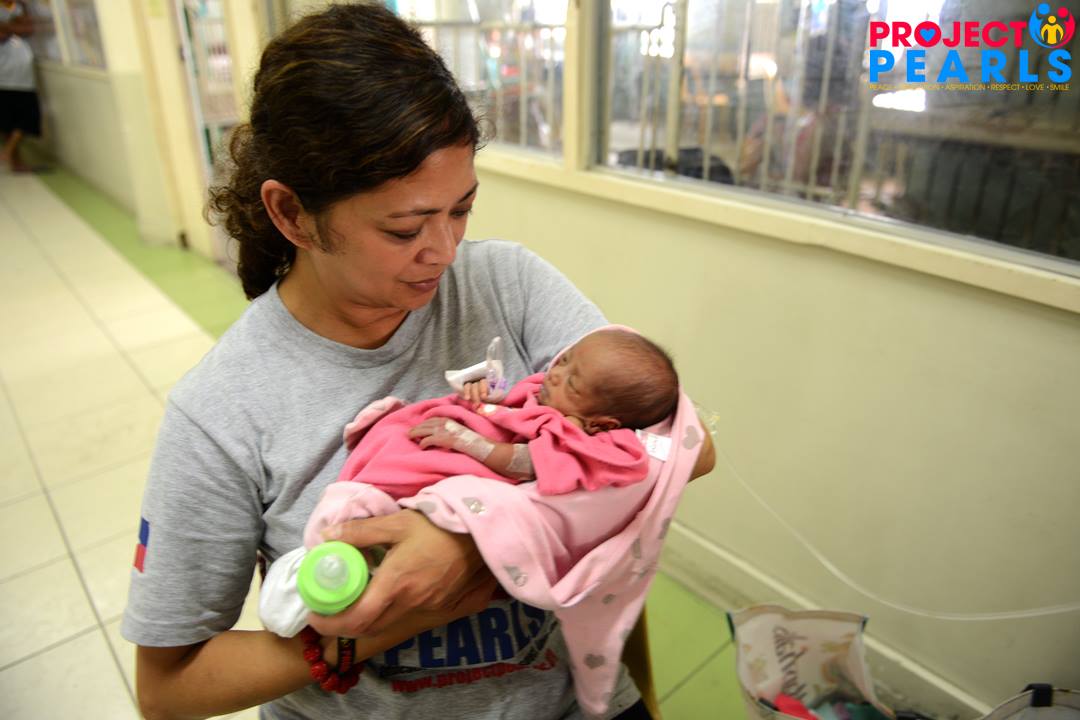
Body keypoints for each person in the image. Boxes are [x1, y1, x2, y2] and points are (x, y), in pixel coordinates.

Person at [122, 5, 715, 720]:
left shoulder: (509, 285)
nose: (444, 251)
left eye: (460, 210)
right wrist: (387, 623)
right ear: (292, 215)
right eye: (405, 228)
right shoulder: (223, 410)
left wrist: (473, 545)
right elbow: (169, 687)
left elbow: (684, 445)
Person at [0, 0, 40, 172]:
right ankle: (13, 160)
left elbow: (29, 29)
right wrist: (14, 25)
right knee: (8, 122)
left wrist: (8, 26)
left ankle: (8, 153)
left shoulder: (21, 6)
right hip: (4, 76)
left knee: (28, 118)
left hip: (24, 76)